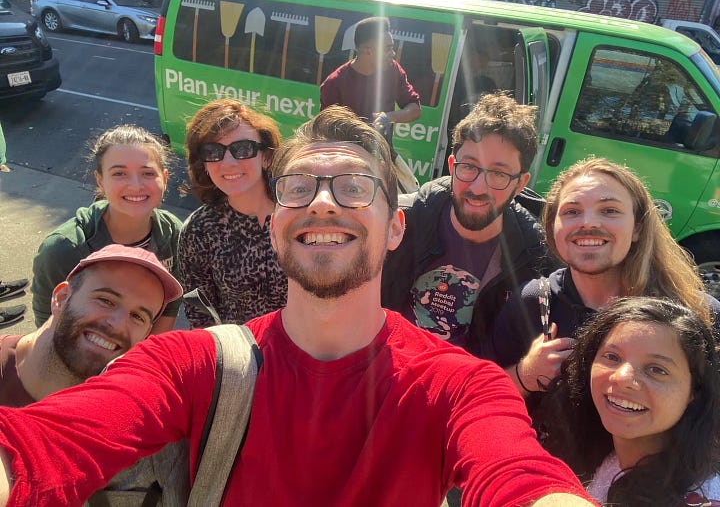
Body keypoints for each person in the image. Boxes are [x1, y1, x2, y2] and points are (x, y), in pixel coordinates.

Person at [0, 106, 595, 507]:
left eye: (355, 188)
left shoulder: (461, 386)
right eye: (299, 187)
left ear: (396, 229)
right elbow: (49, 444)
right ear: (277, 222)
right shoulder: (191, 363)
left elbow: (519, 475)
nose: (324, 204)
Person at [492, 157, 720, 398]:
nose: (588, 222)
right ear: (552, 227)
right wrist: (523, 375)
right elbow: (481, 395)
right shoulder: (532, 303)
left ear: (637, 228)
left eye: (609, 210)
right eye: (572, 211)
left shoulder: (698, 315)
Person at [381, 92, 557, 353]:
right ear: (452, 166)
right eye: (469, 166)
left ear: (520, 183)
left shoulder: (536, 259)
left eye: (498, 173)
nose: (477, 187)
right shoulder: (399, 222)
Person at [536, 296, 720, 506]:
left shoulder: (701, 498)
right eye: (612, 357)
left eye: (656, 370)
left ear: (694, 391)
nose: (622, 378)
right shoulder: (599, 453)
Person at [31, 125, 183, 335]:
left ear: (165, 179)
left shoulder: (173, 233)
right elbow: (47, 324)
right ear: (100, 181)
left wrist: (143, 361)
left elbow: (170, 306)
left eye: (147, 173)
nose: (136, 185)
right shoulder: (65, 247)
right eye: (120, 173)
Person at [0, 244, 182, 407]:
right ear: (61, 298)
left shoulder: (131, 420)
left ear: (146, 334)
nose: (118, 325)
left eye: (137, 316)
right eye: (106, 300)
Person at [178, 99, 287, 328]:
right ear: (205, 165)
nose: (228, 162)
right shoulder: (199, 229)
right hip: (241, 356)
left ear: (265, 157)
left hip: (303, 352)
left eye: (243, 149)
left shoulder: (298, 213)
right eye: (213, 152)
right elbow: (200, 315)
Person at [320, 16, 422, 193]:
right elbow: (324, 133)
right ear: (368, 51)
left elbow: (414, 109)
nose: (393, 53)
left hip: (382, 160)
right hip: (346, 168)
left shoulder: (393, 70)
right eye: (388, 49)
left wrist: (388, 117)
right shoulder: (334, 84)